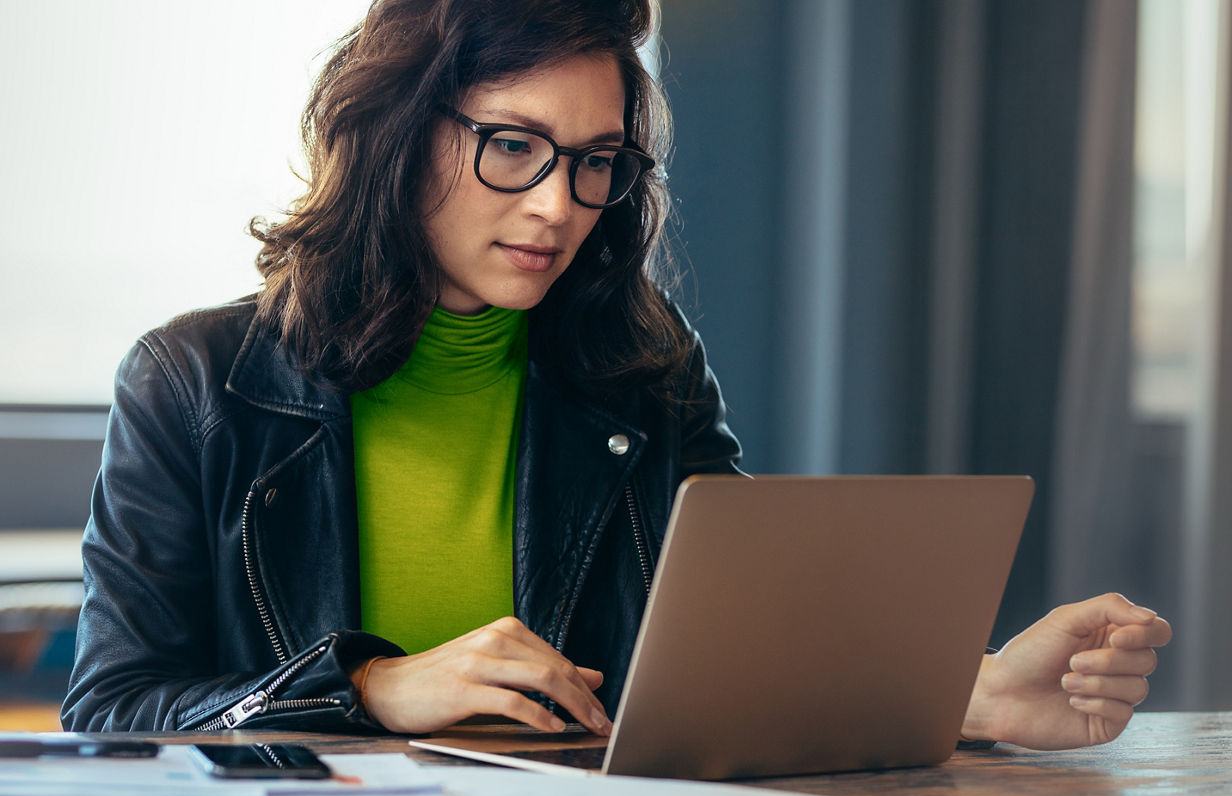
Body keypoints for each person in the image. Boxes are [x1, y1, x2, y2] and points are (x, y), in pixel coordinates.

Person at [61, 0, 1171, 752]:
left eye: (596, 161)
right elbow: (111, 711)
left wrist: (969, 691)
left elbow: (743, 648)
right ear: (397, 132)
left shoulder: (641, 365)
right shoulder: (195, 381)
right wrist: (368, 690)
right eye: (513, 145)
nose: (557, 204)